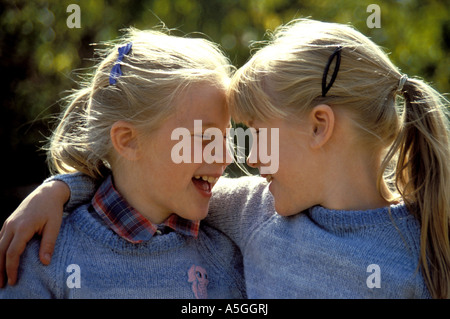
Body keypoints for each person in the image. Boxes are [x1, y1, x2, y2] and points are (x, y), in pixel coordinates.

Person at [2, 19, 449, 299]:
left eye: (246, 137)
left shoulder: (425, 241)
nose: (236, 160)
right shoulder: (255, 212)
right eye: (206, 139)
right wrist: (60, 188)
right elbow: (134, 186)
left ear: (319, 126)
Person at [0, 27, 247, 298]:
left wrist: (62, 189)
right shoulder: (44, 256)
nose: (227, 156)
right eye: (205, 136)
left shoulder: (229, 253)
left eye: (225, 136)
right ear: (128, 140)